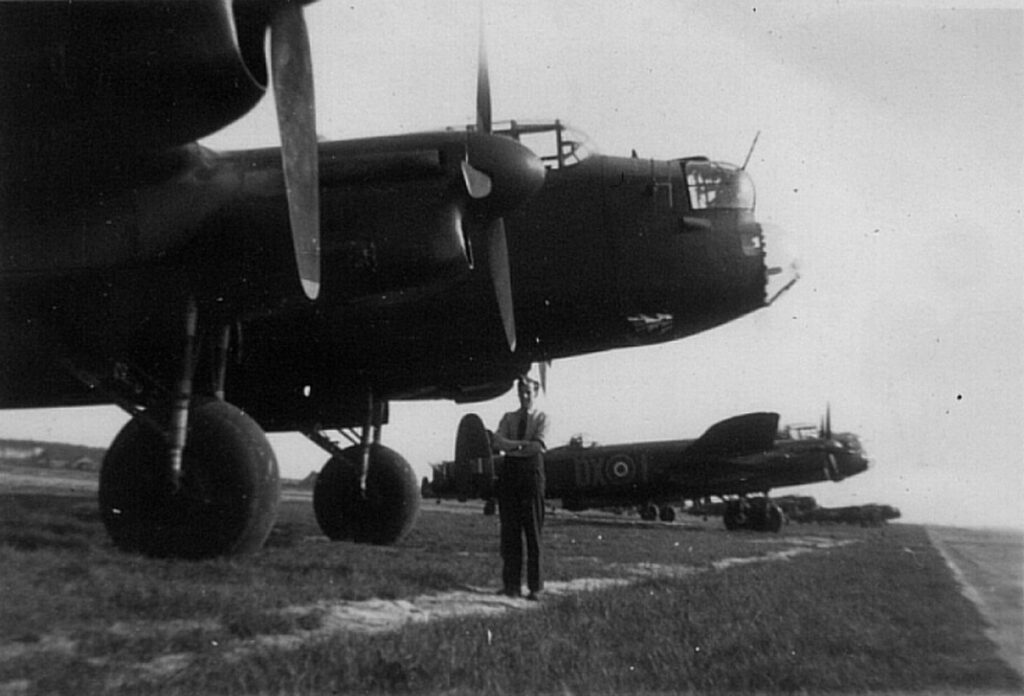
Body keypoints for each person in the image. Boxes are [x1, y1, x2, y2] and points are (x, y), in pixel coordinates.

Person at [490, 375, 548, 600]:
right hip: (510, 477)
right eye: (521, 392)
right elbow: (496, 442)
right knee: (510, 534)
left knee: (533, 534)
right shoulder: (508, 417)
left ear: (536, 393)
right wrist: (522, 445)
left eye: (529, 392)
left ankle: (536, 588)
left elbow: (537, 447)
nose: (524, 396)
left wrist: (511, 447)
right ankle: (511, 586)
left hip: (532, 478)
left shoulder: (542, 418)